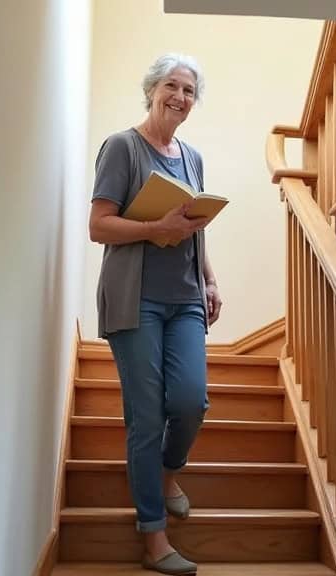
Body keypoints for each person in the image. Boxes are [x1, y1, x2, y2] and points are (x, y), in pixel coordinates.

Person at [87, 53, 222, 576]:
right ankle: (153, 536)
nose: (180, 97)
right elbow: (99, 226)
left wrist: (209, 278)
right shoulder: (122, 147)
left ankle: (169, 474)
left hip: (185, 297)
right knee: (146, 416)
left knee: (189, 401)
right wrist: (152, 229)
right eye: (172, 86)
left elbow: (194, 226)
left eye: (189, 90)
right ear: (151, 90)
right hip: (135, 299)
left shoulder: (193, 157)